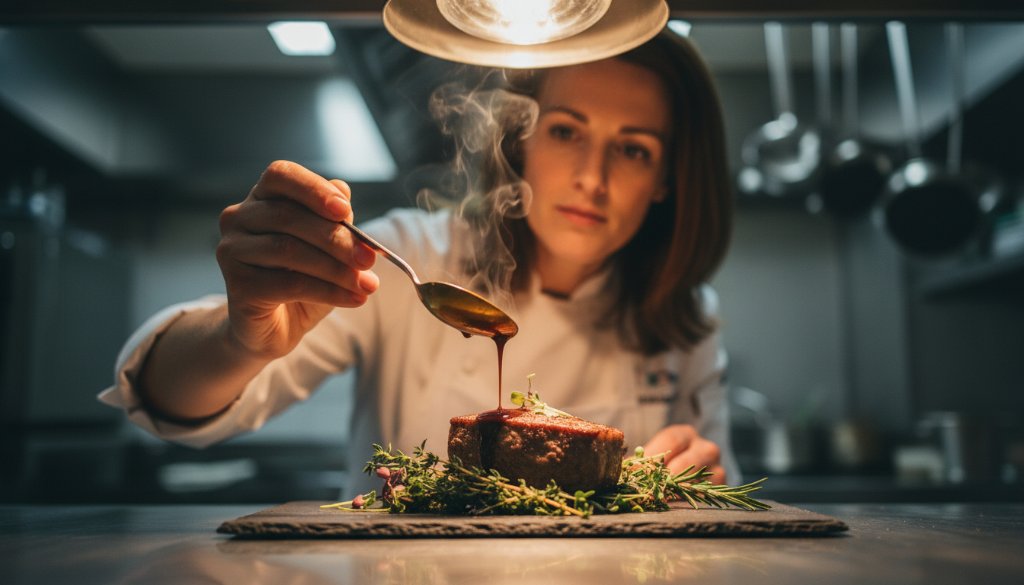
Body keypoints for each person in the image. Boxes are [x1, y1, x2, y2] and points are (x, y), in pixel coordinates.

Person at [99, 31, 738, 496]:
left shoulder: (685, 313)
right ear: (522, 141)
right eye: (566, 131)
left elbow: (717, 487)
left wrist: (696, 475)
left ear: (666, 180)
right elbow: (172, 403)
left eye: (633, 149)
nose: (593, 179)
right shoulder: (414, 255)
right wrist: (241, 337)